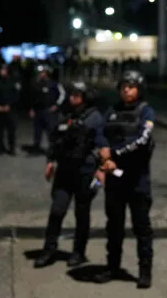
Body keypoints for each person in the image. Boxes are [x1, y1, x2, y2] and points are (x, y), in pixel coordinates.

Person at [93, 70, 156, 289]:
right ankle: (112, 267)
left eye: (131, 86)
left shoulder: (145, 112)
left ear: (139, 88)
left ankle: (144, 271)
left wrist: (114, 154)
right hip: (115, 179)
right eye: (123, 86)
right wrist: (103, 152)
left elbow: (142, 139)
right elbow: (99, 133)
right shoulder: (112, 110)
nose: (126, 89)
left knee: (142, 228)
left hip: (137, 179)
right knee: (114, 227)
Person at [34, 82, 105, 268]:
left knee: (82, 213)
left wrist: (101, 172)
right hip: (64, 170)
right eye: (72, 93)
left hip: (86, 172)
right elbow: (55, 140)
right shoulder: (65, 115)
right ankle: (49, 250)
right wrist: (50, 161)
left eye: (77, 94)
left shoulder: (95, 118)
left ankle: (78, 252)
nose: (73, 97)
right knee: (57, 211)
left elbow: (103, 145)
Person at [29, 64, 66, 155]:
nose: (41, 74)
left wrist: (56, 105)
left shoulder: (54, 84)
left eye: (43, 72)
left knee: (51, 131)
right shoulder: (36, 84)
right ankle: (36, 148)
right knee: (37, 130)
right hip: (38, 111)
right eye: (40, 72)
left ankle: (52, 149)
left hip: (49, 111)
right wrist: (32, 109)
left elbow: (62, 94)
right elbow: (33, 98)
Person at [0, 64, 21, 155]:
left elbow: (16, 96)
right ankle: (0, 147)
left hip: (11, 110)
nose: (1, 72)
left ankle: (12, 148)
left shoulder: (14, 82)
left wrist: (9, 105)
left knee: (11, 130)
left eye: (3, 70)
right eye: (1, 70)